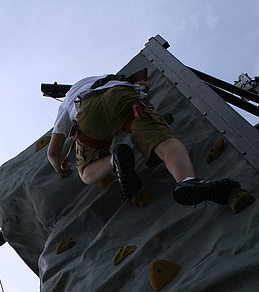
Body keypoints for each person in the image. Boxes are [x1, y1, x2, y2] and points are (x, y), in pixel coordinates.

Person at [47, 73, 240, 205]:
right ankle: (187, 180)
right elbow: (144, 86)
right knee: (164, 141)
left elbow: (53, 152)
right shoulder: (112, 79)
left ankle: (115, 159)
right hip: (122, 96)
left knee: (87, 173)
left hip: (86, 110)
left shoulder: (67, 101)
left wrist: (60, 168)